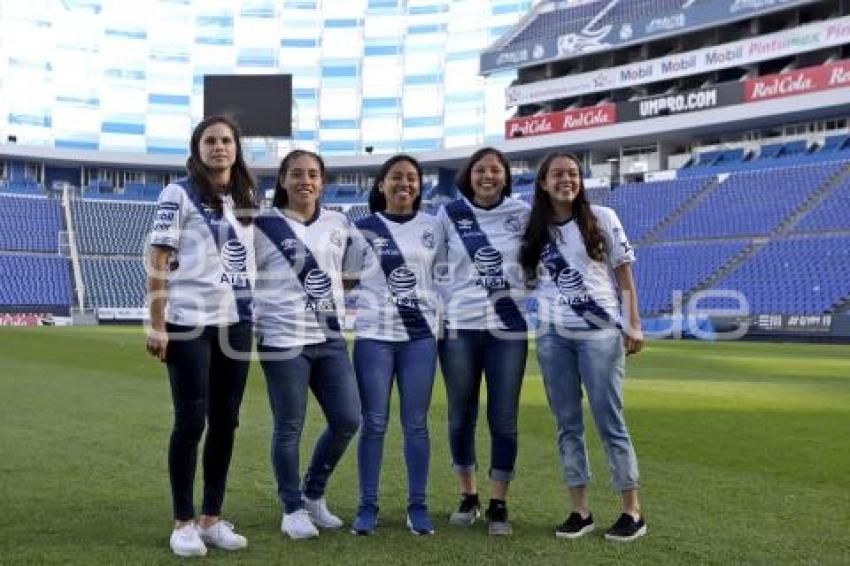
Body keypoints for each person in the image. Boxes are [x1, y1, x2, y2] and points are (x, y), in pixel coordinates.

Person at [518, 151, 647, 542]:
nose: (566, 180)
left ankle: (632, 511)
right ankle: (580, 510)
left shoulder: (603, 218)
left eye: (573, 173)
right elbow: (528, 278)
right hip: (553, 334)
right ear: (543, 183)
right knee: (567, 425)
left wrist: (634, 324)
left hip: (599, 332)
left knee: (610, 420)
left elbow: (624, 275)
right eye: (557, 174)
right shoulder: (534, 228)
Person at [146, 115, 257, 557]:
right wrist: (156, 323)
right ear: (198, 149)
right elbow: (158, 256)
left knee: (226, 422)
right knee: (191, 421)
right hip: (189, 320)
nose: (219, 147)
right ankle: (183, 522)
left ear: (236, 148)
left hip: (237, 321)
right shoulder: (178, 193)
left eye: (226, 140)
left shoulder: (248, 196)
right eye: (210, 140)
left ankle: (212, 518)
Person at [253, 149, 360, 539]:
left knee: (348, 420)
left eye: (313, 174)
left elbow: (343, 273)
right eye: (296, 173)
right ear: (283, 180)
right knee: (289, 426)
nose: (305, 180)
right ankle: (292, 508)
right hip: (282, 339)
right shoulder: (261, 223)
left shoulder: (338, 222)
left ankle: (314, 494)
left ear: (322, 181)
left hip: (329, 337)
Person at [346, 154, 444, 536]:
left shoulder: (435, 227)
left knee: (416, 424)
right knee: (374, 423)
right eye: (396, 177)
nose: (404, 183)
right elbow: (348, 279)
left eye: (412, 178)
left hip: (419, 337)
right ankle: (367, 506)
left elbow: (444, 276)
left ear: (419, 186)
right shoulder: (363, 228)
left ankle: (417, 507)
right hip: (373, 335)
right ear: (381, 184)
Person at [436, 147, 530, 536]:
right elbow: (436, 266)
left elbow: (538, 261)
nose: (487, 175)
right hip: (458, 326)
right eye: (480, 170)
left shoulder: (523, 213)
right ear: (468, 176)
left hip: (507, 328)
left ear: (506, 176)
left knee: (504, 418)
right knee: (461, 415)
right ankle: (468, 496)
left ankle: (498, 502)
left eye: (495, 169)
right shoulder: (449, 213)